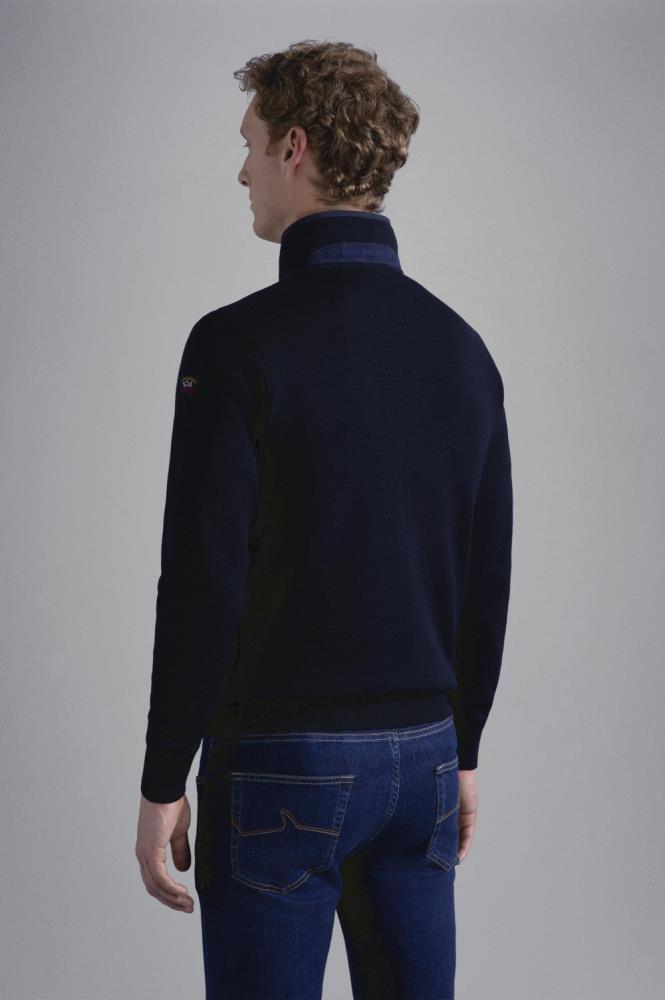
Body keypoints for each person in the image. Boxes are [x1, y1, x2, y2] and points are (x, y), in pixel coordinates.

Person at [134, 39, 512, 1000]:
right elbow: (486, 575)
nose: (242, 171)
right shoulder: (461, 350)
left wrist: (163, 776)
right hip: (425, 760)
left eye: (249, 143)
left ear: (294, 147)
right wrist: (463, 752)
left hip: (279, 763)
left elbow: (204, 577)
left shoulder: (234, 345)